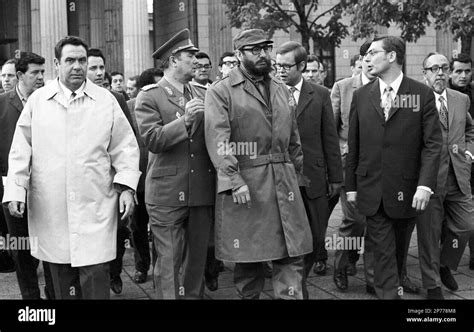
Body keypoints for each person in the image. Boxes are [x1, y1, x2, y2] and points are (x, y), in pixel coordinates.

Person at [2, 36, 140, 300]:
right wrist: (16, 192)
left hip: (96, 206)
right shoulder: (39, 101)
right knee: (62, 282)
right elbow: (20, 152)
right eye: (70, 60)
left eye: (81, 60)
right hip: (52, 209)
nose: (77, 66)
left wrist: (126, 189)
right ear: (57, 64)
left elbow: (125, 148)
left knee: (96, 276)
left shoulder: (106, 101)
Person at [204, 28, 313, 299]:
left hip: (284, 182)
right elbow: (219, 141)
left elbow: (294, 138)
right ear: (239, 54)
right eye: (255, 50)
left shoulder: (280, 88)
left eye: (266, 48)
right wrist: (233, 180)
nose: (263, 54)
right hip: (247, 187)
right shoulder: (221, 91)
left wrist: (296, 175)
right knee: (249, 265)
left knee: (291, 257)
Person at [345, 35, 442, 299]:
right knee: (383, 251)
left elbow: (433, 145)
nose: (366, 58)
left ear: (391, 57)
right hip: (371, 190)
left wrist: (424, 185)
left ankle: (392, 285)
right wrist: (351, 186)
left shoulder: (421, 94)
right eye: (365, 54)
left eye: (373, 52)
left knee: (398, 251)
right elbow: (354, 144)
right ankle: (390, 294)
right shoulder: (361, 96)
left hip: (409, 191)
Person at [135, 28, 215, 299]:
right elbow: (153, 140)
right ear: (173, 59)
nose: (196, 60)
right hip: (167, 193)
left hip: (201, 189)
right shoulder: (150, 96)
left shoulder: (205, 93)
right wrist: (185, 121)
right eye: (190, 55)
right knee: (168, 262)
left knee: (196, 262)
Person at [276, 41, 342, 283]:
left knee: (315, 236)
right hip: (281, 178)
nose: (280, 70)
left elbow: (330, 138)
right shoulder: (270, 93)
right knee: (286, 237)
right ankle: (291, 284)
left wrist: (335, 177)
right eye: (277, 65)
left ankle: (299, 278)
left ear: (302, 65)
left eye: (286, 66)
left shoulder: (320, 94)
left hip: (313, 178)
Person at [415, 52, 474, 299]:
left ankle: (444, 264)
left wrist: (469, 152)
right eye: (434, 68)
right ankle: (432, 285)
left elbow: (469, 128)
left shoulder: (461, 99)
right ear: (425, 73)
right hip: (428, 179)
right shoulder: (414, 101)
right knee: (429, 235)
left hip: (458, 176)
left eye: (444, 68)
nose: (440, 72)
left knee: (466, 226)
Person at [0, 52, 56, 299]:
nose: (41, 77)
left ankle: (54, 293)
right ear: (21, 76)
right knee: (21, 247)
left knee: (51, 243)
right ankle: (31, 299)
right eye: (35, 73)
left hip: (47, 187)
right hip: (12, 188)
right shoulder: (2, 104)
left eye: (43, 72)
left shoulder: (52, 102)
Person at [86, 48, 137, 294]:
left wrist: (126, 184)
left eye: (100, 68)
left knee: (117, 232)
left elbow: (128, 141)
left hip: (112, 182)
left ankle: (114, 274)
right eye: (92, 67)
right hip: (84, 186)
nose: (98, 73)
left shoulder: (116, 99)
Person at [331, 41, 375, 292]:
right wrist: (343, 153)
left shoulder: (389, 89)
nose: (371, 61)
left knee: (377, 223)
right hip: (351, 167)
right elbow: (331, 129)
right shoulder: (343, 88)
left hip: (381, 169)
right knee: (355, 221)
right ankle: (341, 265)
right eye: (366, 56)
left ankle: (373, 278)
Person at [126, 68, 163, 284]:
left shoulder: (166, 105)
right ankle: (141, 267)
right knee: (138, 227)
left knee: (160, 228)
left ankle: (160, 268)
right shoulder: (129, 107)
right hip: (138, 179)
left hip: (160, 177)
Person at [448, 54, 474, 270]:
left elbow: (470, 129)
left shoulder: (469, 96)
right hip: (448, 167)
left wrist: (470, 153)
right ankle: (444, 262)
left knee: (469, 217)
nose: (463, 75)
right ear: (450, 72)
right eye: (458, 71)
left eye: (467, 71)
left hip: (468, 161)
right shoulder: (442, 95)